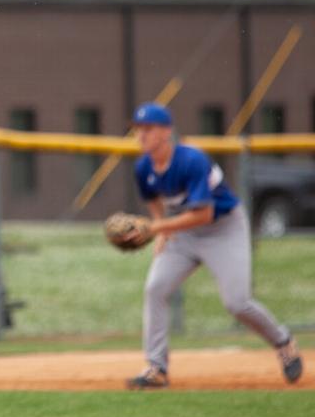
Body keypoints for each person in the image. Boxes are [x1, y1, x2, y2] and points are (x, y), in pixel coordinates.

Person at [125, 102, 303, 389]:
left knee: (237, 302)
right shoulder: (143, 166)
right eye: (138, 129)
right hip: (183, 233)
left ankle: (284, 342)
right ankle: (156, 368)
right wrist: (159, 229)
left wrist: (156, 228)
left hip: (224, 229)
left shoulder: (191, 160)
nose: (141, 135)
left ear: (166, 132)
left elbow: (204, 213)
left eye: (148, 129)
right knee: (155, 288)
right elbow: (153, 200)